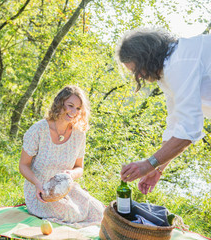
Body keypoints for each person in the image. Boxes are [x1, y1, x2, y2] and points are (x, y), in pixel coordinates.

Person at [116, 28, 211, 195]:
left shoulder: (179, 63)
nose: (138, 78)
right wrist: (157, 168)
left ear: (146, 57)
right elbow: (175, 125)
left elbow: (189, 130)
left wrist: (148, 164)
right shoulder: (167, 72)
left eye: (137, 71)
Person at [19, 85, 104, 228]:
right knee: (73, 214)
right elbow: (23, 165)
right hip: (41, 192)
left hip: (66, 188)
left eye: (78, 108)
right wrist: (38, 184)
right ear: (60, 103)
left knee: (99, 211)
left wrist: (70, 174)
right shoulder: (38, 130)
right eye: (70, 105)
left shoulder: (79, 134)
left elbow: (79, 168)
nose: (73, 112)